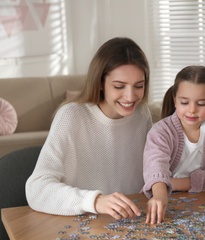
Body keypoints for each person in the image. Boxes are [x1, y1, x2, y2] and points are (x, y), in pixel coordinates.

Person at [26, 37, 152, 220]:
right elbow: (37, 189)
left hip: (132, 223)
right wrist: (95, 200)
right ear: (100, 83)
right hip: (83, 226)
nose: (130, 96)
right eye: (119, 86)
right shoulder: (71, 116)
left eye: (138, 86)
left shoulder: (142, 115)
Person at [142, 65, 205, 224]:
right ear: (174, 100)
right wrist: (160, 195)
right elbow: (155, 167)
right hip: (162, 201)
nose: (192, 110)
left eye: (201, 103)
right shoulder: (160, 131)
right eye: (184, 102)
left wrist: (173, 183)